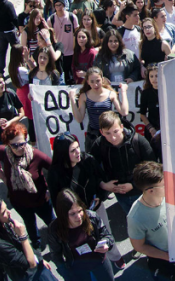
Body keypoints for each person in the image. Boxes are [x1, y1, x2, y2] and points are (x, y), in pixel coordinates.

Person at [46, 134, 126, 269]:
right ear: (63, 154)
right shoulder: (55, 174)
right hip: (74, 215)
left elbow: (100, 179)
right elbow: (57, 202)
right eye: (73, 150)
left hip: (95, 208)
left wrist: (100, 196)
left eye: (78, 147)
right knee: (83, 239)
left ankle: (115, 256)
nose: (78, 152)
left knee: (105, 233)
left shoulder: (88, 160)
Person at [127, 161, 175, 280]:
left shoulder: (171, 195)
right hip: (167, 261)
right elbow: (140, 247)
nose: (169, 184)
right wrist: (171, 257)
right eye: (164, 184)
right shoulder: (136, 218)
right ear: (150, 191)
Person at [0, 123, 54, 250]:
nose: (19, 148)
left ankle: (60, 241)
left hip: (40, 200)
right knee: (30, 224)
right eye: (14, 145)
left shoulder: (36, 155)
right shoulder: (4, 153)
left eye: (22, 143)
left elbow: (54, 169)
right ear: (8, 144)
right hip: (19, 202)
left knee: (52, 223)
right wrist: (2, 176)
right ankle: (36, 244)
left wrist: (49, 190)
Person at [0, 194, 57, 281]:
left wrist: (40, 259)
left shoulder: (4, 224)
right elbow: (31, 263)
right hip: (28, 276)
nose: (9, 212)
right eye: (3, 212)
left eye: (6, 208)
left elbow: (26, 247)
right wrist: (23, 236)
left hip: (36, 268)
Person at [89, 111, 155, 214]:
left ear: (121, 127)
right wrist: (103, 184)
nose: (113, 137)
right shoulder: (99, 145)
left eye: (115, 131)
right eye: (108, 133)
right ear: (101, 132)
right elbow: (91, 169)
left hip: (142, 192)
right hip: (120, 195)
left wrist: (133, 185)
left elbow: (153, 168)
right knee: (131, 219)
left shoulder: (138, 141)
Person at [47, 189, 116, 281]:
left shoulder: (91, 217)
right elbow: (56, 255)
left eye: (80, 211)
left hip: (100, 263)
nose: (78, 217)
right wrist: (66, 274)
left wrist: (106, 243)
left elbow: (107, 235)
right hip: (78, 270)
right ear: (63, 214)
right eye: (72, 214)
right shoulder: (55, 229)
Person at [74, 67, 129, 149]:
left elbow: (124, 112)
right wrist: (72, 99)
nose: (95, 85)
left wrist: (123, 91)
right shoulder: (84, 96)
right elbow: (79, 119)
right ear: (88, 82)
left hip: (108, 134)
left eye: (98, 81)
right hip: (93, 135)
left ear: (102, 80)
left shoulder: (111, 94)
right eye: (92, 82)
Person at [49, 0, 79, 84]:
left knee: (70, 78)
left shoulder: (72, 17)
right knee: (59, 78)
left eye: (60, 5)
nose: (58, 7)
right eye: (56, 5)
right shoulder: (51, 19)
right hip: (58, 53)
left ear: (64, 5)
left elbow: (76, 32)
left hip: (70, 52)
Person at [0, 0, 20, 75]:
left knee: (2, 52)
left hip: (0, 32)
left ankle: (1, 71)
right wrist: (19, 28)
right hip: (10, 31)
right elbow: (14, 18)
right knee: (16, 50)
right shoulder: (8, 5)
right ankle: (16, 68)